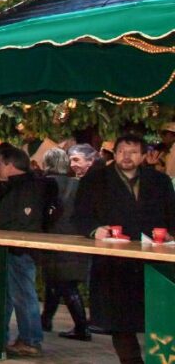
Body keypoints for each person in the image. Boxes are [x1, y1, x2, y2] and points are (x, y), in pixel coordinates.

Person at [74, 134, 175, 364]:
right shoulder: (96, 179)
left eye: (132, 152)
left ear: (143, 156)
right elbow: (80, 215)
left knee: (159, 314)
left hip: (154, 262)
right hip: (114, 262)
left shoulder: (159, 181)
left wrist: (170, 234)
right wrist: (94, 230)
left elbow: (172, 214)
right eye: (121, 151)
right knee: (120, 320)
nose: (126, 157)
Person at [0, 146, 57, 358]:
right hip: (13, 247)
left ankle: (30, 340)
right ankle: (5, 337)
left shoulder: (31, 187)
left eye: (0, 164)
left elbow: (24, 220)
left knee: (22, 294)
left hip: (20, 248)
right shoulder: (18, 184)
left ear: (10, 166)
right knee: (10, 294)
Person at [38, 148, 90, 341]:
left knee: (64, 283)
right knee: (57, 281)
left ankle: (82, 327)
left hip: (52, 237)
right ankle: (46, 319)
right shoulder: (77, 185)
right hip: (75, 237)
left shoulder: (45, 184)